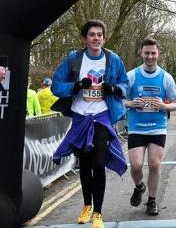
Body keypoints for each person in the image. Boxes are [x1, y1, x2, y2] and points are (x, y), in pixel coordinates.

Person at [51, 19, 128, 228]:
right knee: (84, 165)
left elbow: (125, 84)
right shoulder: (74, 59)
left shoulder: (113, 60)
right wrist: (76, 85)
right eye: (92, 34)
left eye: (99, 35)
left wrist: (113, 89)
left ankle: (98, 213)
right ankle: (86, 205)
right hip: (80, 117)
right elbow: (56, 85)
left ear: (104, 38)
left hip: (102, 116)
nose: (96, 38)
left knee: (98, 163)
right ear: (85, 38)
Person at [125, 37, 176, 216]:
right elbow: (119, 100)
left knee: (155, 165)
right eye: (147, 53)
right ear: (141, 53)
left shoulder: (166, 77)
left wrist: (164, 106)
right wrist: (132, 103)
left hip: (157, 126)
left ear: (158, 54)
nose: (150, 56)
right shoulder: (131, 75)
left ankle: (152, 201)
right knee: (136, 165)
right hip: (136, 126)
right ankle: (139, 186)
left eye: (153, 53)